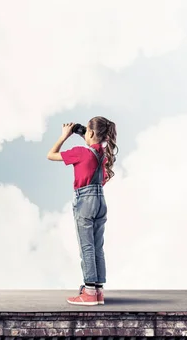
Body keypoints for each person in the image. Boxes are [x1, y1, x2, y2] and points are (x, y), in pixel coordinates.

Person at [46, 116, 118, 306]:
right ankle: (98, 291)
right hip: (100, 199)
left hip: (85, 200)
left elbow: (51, 154)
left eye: (86, 130)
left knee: (86, 246)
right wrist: (84, 134)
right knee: (97, 246)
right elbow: (103, 177)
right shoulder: (103, 154)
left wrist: (65, 136)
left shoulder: (80, 153)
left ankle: (89, 292)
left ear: (92, 133)